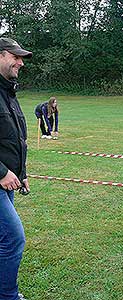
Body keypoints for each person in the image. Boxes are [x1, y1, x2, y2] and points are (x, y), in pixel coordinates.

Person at [0, 37, 32, 300]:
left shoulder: (8, 91)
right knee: (13, 239)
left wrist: (20, 174)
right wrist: (1, 172)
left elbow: (15, 138)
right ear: (0, 56)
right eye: (15, 56)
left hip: (10, 180)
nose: (20, 62)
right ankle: (8, 296)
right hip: (0, 179)